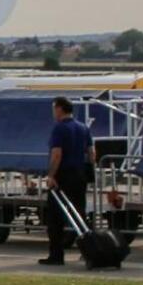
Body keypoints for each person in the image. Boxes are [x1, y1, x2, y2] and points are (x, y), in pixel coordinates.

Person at [42, 96, 97, 266]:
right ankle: (91, 251)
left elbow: (57, 154)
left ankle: (56, 255)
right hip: (79, 174)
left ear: (59, 109)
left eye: (54, 108)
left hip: (63, 175)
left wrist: (51, 175)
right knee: (79, 214)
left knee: (55, 218)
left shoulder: (59, 129)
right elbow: (92, 153)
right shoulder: (83, 128)